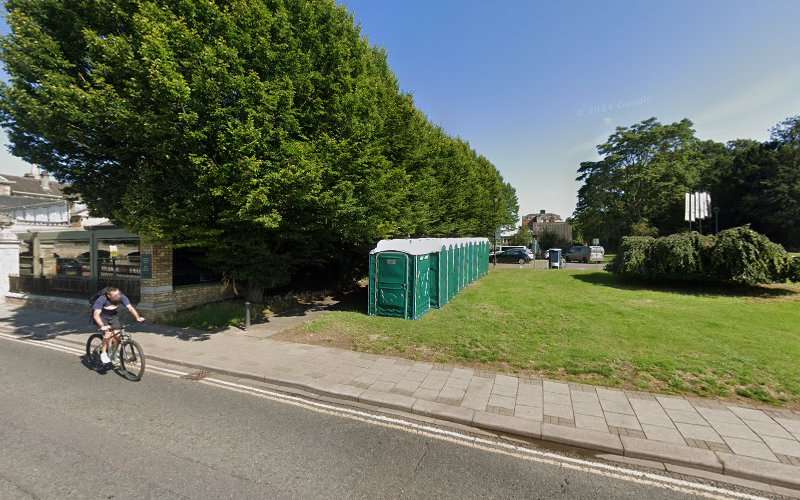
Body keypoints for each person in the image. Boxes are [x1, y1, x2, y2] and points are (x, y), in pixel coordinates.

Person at [92, 287, 145, 366]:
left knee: (118, 335)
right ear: (109, 296)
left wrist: (137, 317)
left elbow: (130, 308)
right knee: (108, 334)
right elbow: (96, 315)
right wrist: (103, 326)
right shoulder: (102, 299)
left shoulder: (122, 297)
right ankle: (103, 354)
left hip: (113, 316)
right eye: (115, 295)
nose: (118, 296)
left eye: (119, 294)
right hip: (102, 317)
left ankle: (113, 353)